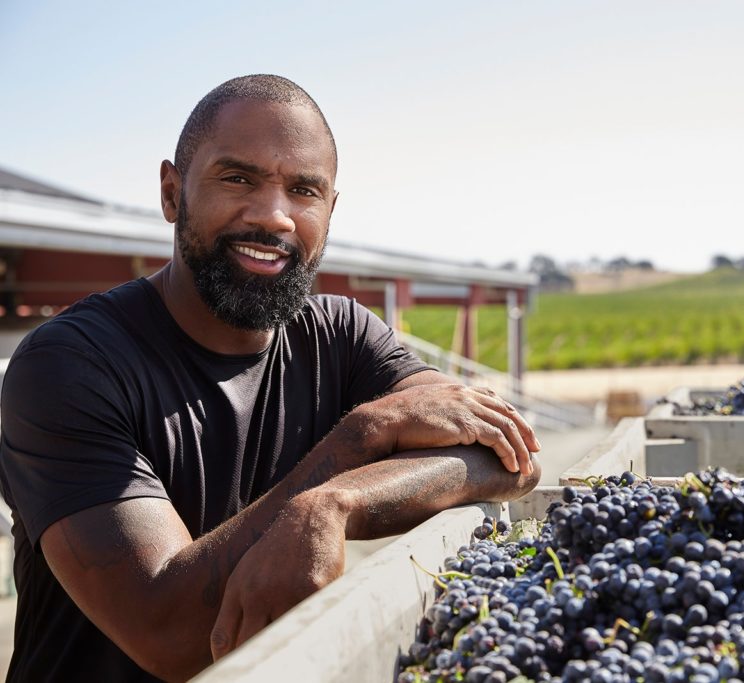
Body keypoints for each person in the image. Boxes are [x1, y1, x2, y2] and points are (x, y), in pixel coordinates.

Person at [0, 74, 541, 682]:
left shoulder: (341, 334)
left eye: (304, 190)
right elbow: (168, 631)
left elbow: (508, 455)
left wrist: (334, 503)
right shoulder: (72, 364)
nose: (274, 216)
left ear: (329, 210)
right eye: (238, 178)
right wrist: (362, 436)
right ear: (173, 194)